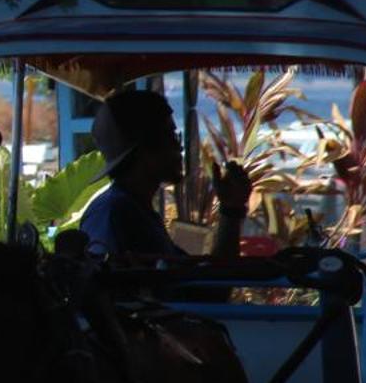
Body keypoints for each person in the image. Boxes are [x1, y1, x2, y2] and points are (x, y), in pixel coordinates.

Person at [78, 88, 250, 262]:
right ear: (144, 149)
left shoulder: (136, 213)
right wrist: (231, 211)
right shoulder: (113, 214)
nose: (179, 147)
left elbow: (204, 283)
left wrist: (231, 208)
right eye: (171, 136)